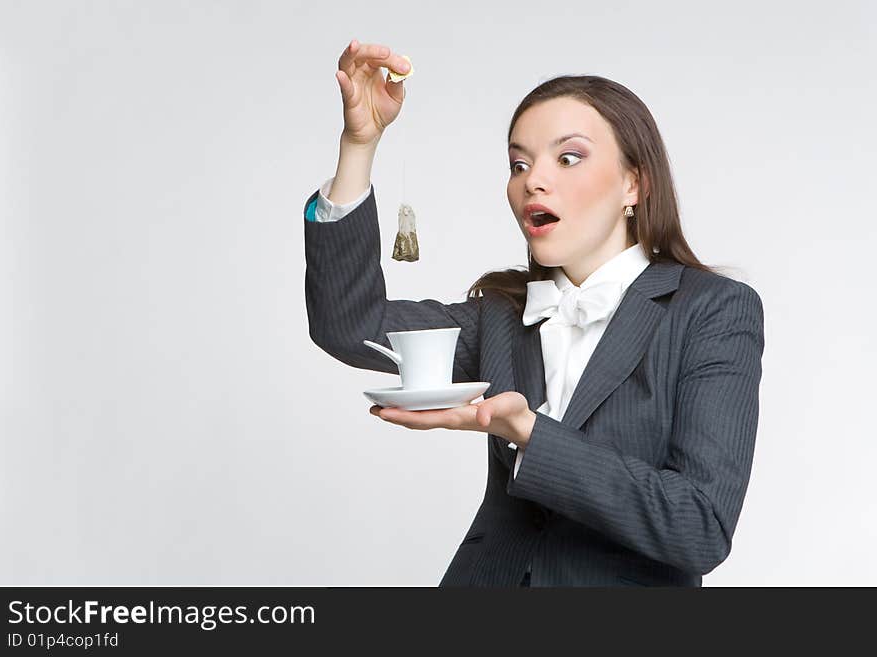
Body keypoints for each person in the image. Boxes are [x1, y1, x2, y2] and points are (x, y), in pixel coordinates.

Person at [304, 39, 765, 587]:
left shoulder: (712, 311)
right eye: (518, 163)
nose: (532, 181)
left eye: (568, 157)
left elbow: (699, 527)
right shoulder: (500, 315)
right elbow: (350, 325)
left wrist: (529, 433)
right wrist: (359, 145)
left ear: (633, 184)